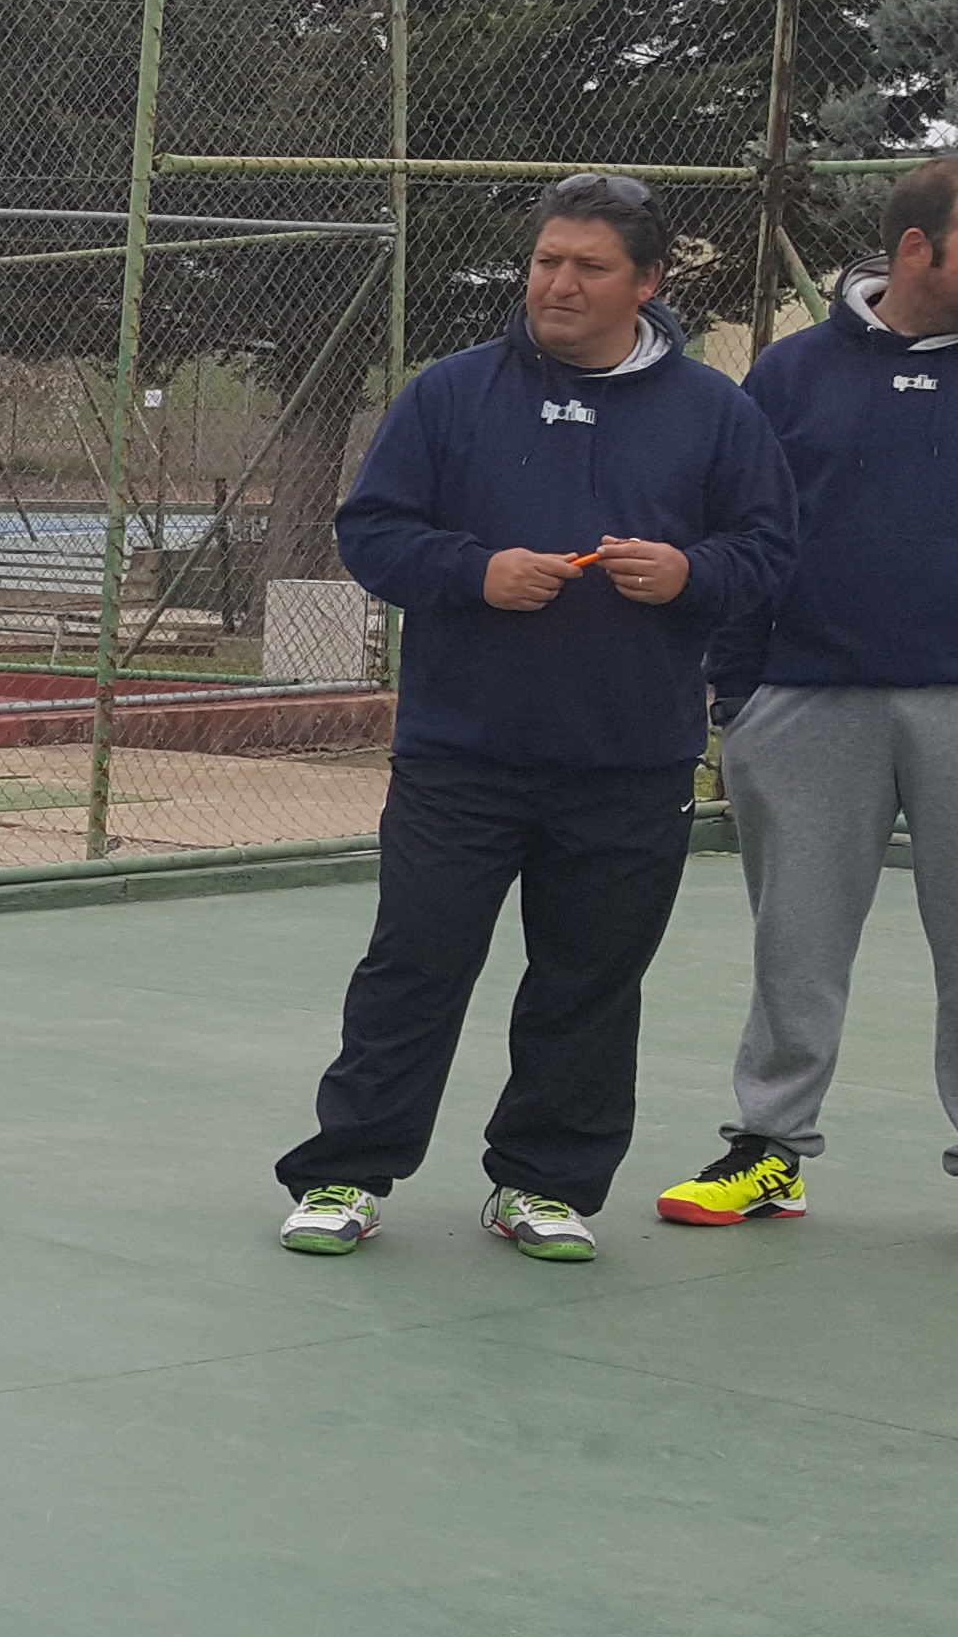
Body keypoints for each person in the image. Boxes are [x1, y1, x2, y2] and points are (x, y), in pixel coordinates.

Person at [275, 175, 792, 1263]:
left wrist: (688, 574)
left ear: (646, 283)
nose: (557, 283)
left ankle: (543, 1186)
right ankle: (344, 1174)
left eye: (587, 266)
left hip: (630, 763)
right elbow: (372, 532)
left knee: (588, 984)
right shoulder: (451, 393)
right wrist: (476, 573)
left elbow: (767, 554)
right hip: (460, 757)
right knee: (413, 966)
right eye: (546, 261)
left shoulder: (715, 413)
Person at [675, 155, 958, 1266]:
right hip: (805, 705)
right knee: (794, 944)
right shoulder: (789, 374)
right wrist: (739, 694)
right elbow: (746, 535)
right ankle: (768, 1149)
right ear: (916, 249)